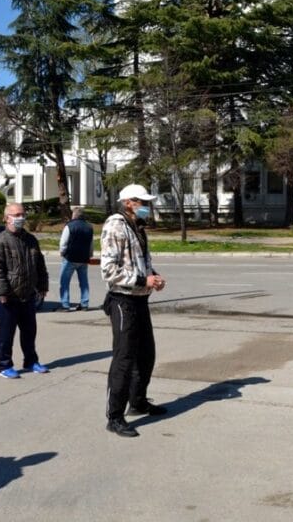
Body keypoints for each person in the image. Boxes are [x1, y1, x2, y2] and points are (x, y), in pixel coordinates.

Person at [101, 184, 168, 438]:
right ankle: (115, 416)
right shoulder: (115, 225)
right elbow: (109, 270)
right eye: (142, 202)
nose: (146, 206)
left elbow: (139, 263)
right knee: (124, 358)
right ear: (128, 202)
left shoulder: (137, 226)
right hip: (123, 300)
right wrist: (143, 280)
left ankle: (138, 401)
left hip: (140, 299)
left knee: (146, 355)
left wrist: (153, 276)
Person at [0, 203, 49, 379]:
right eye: (16, 215)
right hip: (8, 298)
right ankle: (4, 365)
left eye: (22, 214)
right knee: (6, 334)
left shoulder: (30, 240)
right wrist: (2, 292)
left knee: (29, 332)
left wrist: (42, 285)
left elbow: (40, 265)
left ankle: (31, 361)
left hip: (27, 295)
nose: (21, 218)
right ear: (6, 218)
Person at [59, 207, 94, 311]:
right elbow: (91, 243)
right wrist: (90, 254)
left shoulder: (69, 226)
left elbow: (63, 242)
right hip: (83, 258)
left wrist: (62, 252)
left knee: (64, 282)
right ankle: (84, 304)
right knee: (84, 282)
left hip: (70, 257)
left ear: (74, 215)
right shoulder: (89, 227)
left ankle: (65, 305)